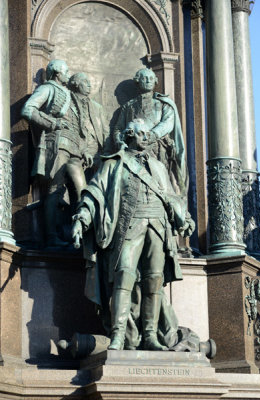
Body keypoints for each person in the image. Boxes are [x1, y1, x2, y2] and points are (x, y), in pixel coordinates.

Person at [72, 118, 194, 351]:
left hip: (158, 227)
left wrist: (184, 218)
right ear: (129, 135)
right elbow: (94, 193)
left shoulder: (158, 166)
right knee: (124, 276)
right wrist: (82, 219)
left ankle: (150, 336)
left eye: (148, 134)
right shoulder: (114, 164)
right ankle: (118, 335)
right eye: (141, 133)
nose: (147, 137)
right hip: (129, 225)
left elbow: (171, 196)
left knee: (154, 280)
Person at [22, 63, 108, 247]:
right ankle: (52, 236)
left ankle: (82, 234)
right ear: (57, 73)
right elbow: (28, 110)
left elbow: (77, 128)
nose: (69, 74)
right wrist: (52, 123)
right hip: (58, 145)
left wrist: (84, 150)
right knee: (55, 190)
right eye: (66, 71)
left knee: (83, 191)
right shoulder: (47, 89)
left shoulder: (69, 96)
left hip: (75, 150)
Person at [113, 68, 188, 198]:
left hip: (157, 150)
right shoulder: (128, 106)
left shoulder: (162, 104)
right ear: (137, 81)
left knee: (161, 183)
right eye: (144, 78)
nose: (148, 81)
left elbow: (168, 123)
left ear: (156, 82)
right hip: (132, 152)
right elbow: (118, 129)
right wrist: (119, 141)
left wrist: (152, 135)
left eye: (151, 78)